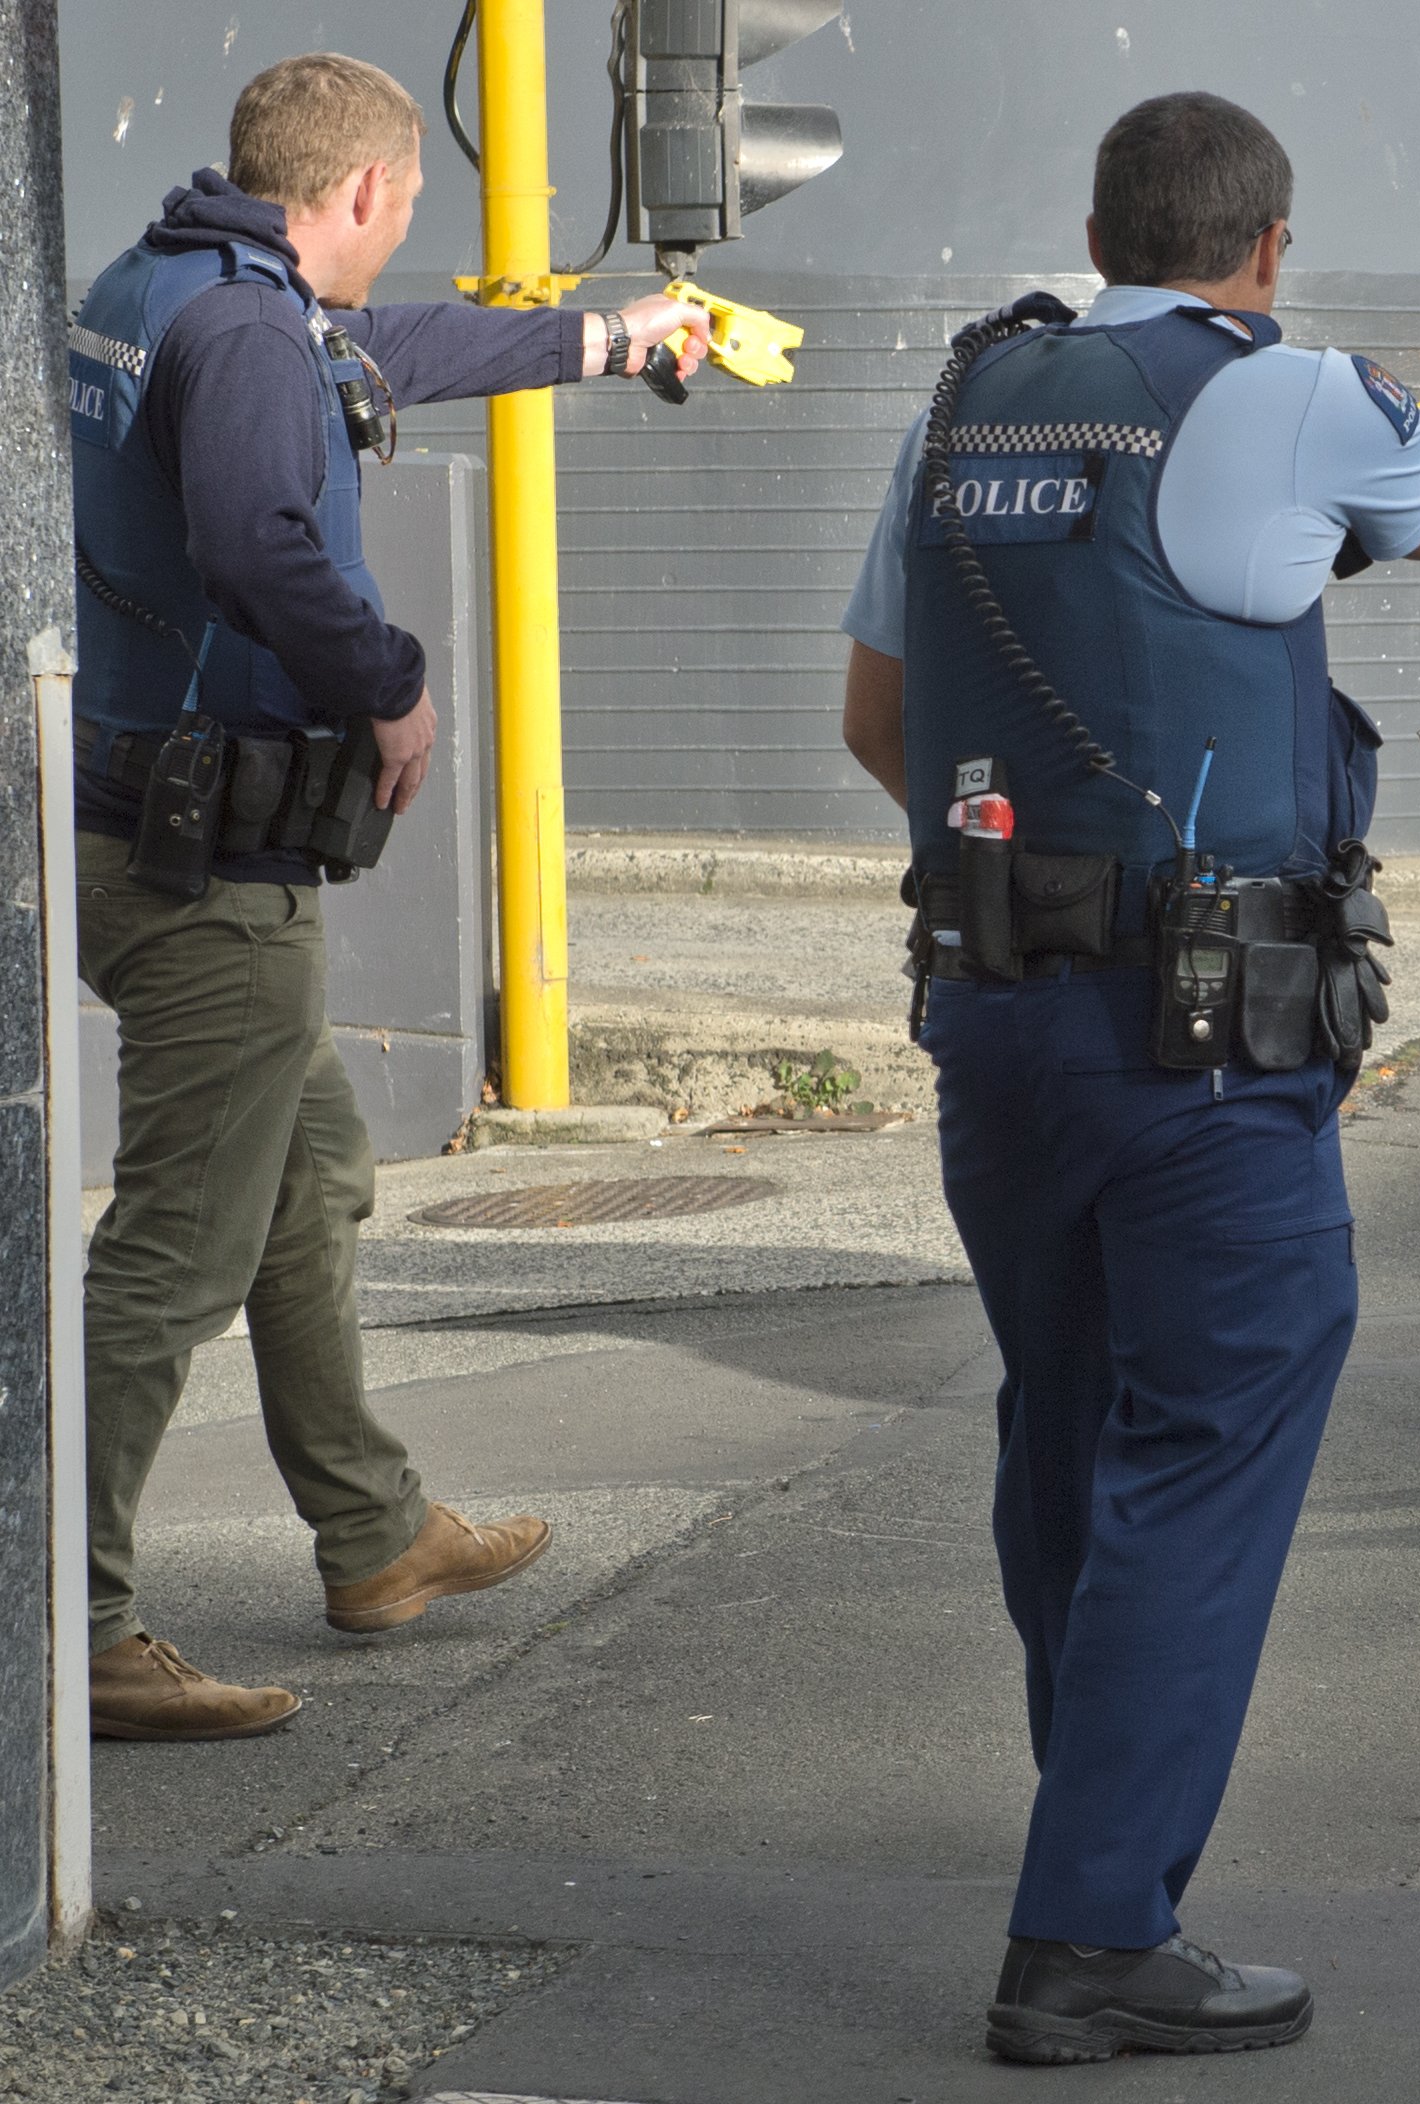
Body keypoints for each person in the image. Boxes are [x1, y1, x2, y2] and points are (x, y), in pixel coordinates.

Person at [834, 91, 1420, 2061]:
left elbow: (879, 719)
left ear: (1098, 232)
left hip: (993, 1007)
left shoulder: (965, 407)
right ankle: (1091, 1930)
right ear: (1266, 247)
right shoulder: (1290, 391)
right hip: (1196, 1032)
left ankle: (1098, 1838)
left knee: (1066, 1422)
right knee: (1213, 1421)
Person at [68, 54, 711, 1743]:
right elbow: (258, 540)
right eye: (410, 203)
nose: (405, 231)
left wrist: (605, 339)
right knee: (176, 1250)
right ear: (358, 190)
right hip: (209, 870)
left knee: (311, 1178)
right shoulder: (245, 334)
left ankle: (373, 1529)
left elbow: (388, 356)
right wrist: (393, 679)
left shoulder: (169, 285)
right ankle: (69, 1619)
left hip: (145, 828)